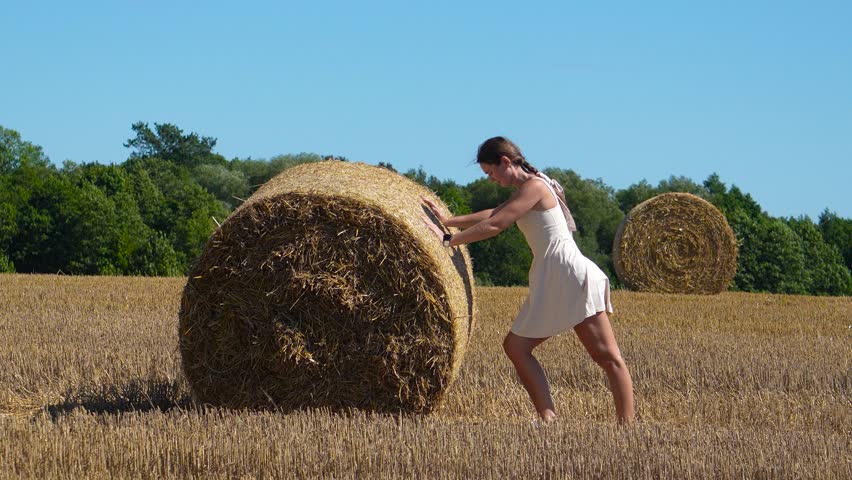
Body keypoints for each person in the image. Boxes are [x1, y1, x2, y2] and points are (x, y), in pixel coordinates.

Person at [421, 136, 635, 425]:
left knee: (607, 357)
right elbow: (494, 213)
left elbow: (497, 224)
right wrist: (449, 220)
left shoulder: (535, 186)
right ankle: (547, 418)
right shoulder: (528, 186)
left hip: (569, 274)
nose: (491, 179)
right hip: (552, 275)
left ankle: (627, 426)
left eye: (491, 172)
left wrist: (449, 241)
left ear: (506, 162)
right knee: (516, 347)